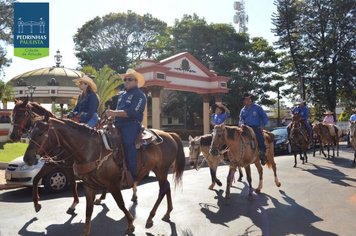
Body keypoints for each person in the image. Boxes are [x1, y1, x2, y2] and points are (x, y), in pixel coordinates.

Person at [105, 69, 147, 180]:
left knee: (128, 144)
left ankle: (132, 175)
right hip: (117, 123)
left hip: (131, 124)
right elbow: (119, 110)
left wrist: (114, 112)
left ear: (136, 81)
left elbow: (132, 112)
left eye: (130, 79)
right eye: (125, 79)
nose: (126, 81)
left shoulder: (140, 95)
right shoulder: (122, 95)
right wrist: (111, 116)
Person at [239, 93, 269, 165]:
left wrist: (262, 125)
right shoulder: (243, 110)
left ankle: (262, 154)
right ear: (244, 101)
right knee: (237, 137)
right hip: (245, 127)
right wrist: (241, 124)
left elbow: (265, 117)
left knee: (259, 138)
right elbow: (240, 119)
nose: (248, 100)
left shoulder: (257, 108)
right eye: (246, 99)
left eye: (249, 99)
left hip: (256, 127)